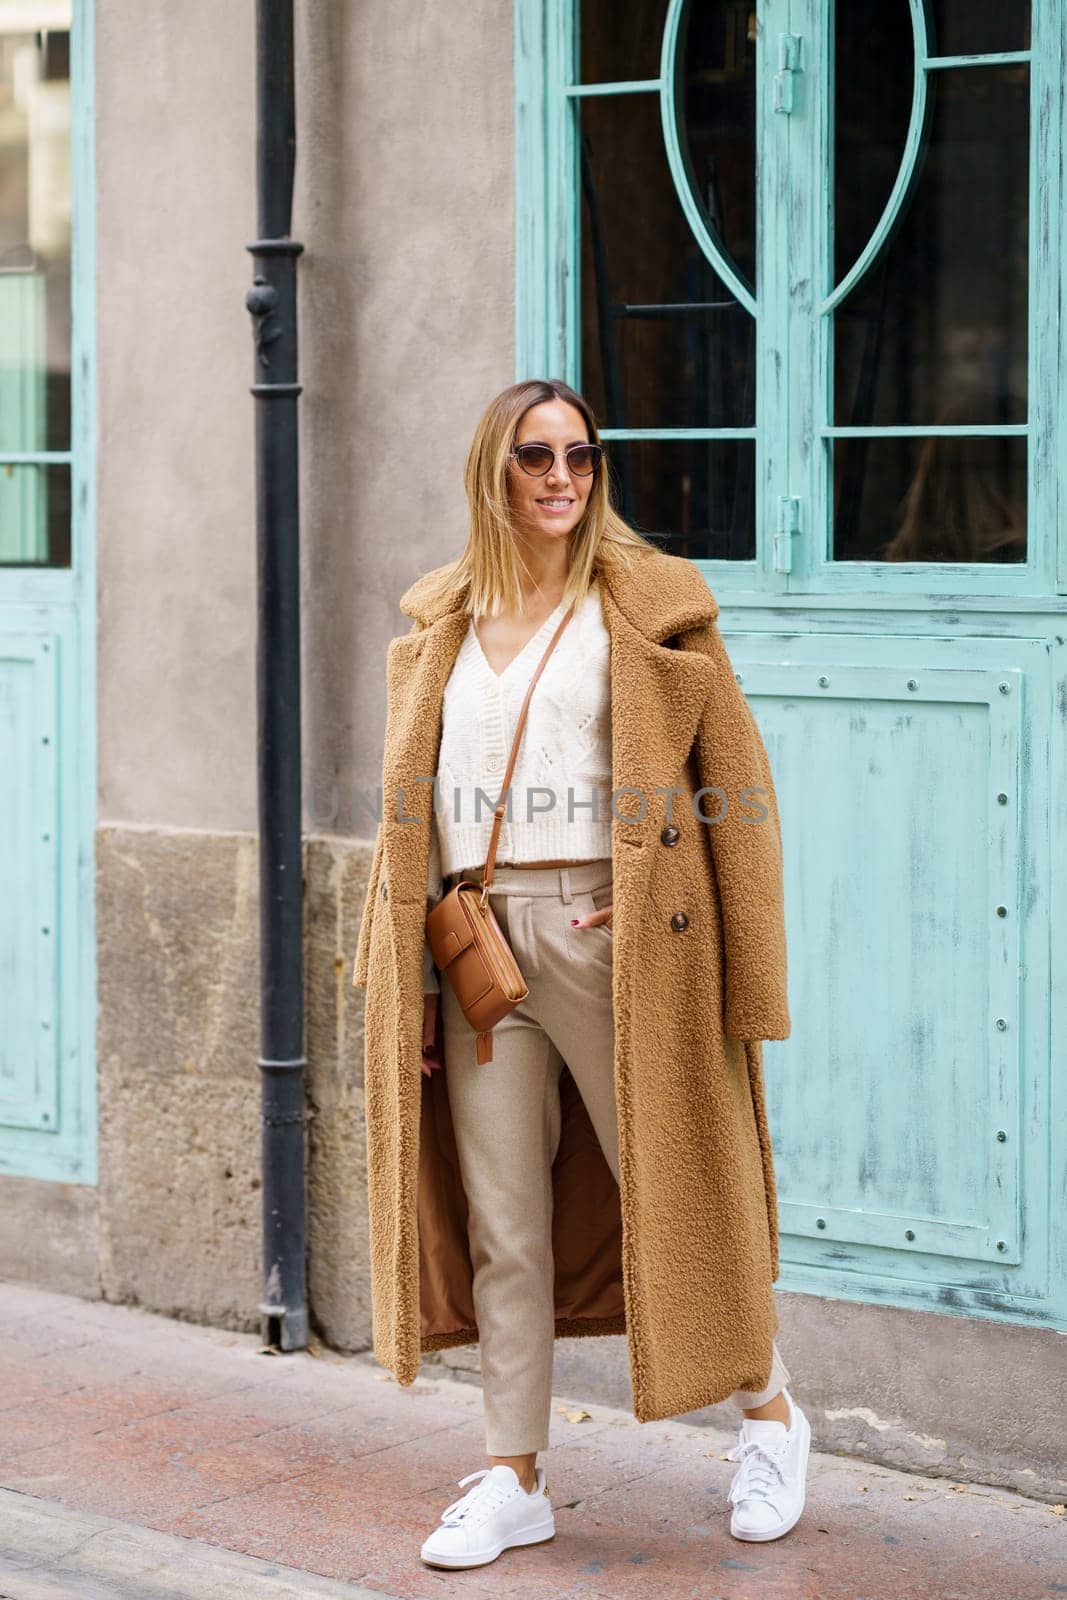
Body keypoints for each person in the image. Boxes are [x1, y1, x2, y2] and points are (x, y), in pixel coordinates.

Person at [352, 378, 810, 1570]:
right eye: (533, 458)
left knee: (683, 1189)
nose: (560, 478)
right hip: (474, 943)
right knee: (505, 1221)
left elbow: (736, 800)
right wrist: (394, 959)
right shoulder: (438, 619)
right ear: (489, 473)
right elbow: (406, 807)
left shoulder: (650, 607)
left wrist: (740, 972)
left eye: (580, 457)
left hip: (612, 940)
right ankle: (513, 1472)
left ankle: (769, 1416)